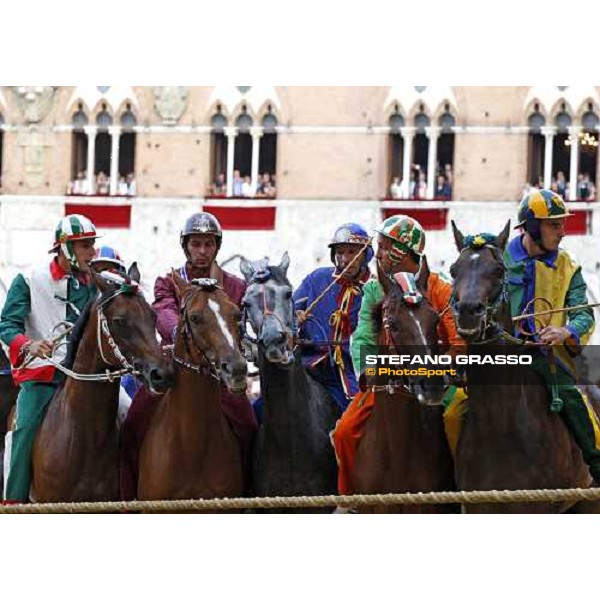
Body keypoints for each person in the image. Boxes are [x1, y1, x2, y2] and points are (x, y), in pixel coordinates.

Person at [444, 189, 600, 484]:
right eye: (554, 224)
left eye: (561, 224)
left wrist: (566, 330)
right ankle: (454, 484)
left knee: (576, 401)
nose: (562, 231)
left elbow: (584, 315)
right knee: (452, 412)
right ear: (531, 226)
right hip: (496, 355)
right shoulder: (497, 262)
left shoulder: (569, 267)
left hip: (549, 359)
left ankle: (597, 465)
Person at [119, 212, 257, 499]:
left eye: (208, 244)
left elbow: (236, 324)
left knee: (250, 426)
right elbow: (164, 313)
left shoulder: (235, 286)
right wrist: (183, 331)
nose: (202, 251)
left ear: (216, 247)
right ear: (186, 247)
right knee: (132, 423)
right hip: (176, 369)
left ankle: (249, 497)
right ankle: (127, 499)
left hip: (221, 375)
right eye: (196, 244)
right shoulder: (168, 281)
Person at [330, 215, 466, 495]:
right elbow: (364, 335)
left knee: (458, 420)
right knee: (344, 432)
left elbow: (458, 342)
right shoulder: (374, 288)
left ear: (400, 251)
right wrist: (369, 370)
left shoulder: (440, 289)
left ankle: (463, 491)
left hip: (438, 379)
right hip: (388, 380)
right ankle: (351, 500)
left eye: (382, 246)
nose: (376, 254)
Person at [0, 214, 100, 502]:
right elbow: (6, 325)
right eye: (85, 245)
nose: (92, 252)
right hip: (42, 376)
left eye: (92, 244)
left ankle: (132, 504)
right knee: (23, 430)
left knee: (129, 416)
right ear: (65, 247)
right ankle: (14, 503)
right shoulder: (29, 279)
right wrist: (29, 345)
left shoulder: (94, 282)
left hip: (86, 378)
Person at [293, 223, 373, 414]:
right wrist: (295, 318)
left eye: (352, 252)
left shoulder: (374, 289)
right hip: (309, 362)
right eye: (340, 252)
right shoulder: (317, 279)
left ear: (365, 255)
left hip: (348, 371)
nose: (345, 259)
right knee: (263, 407)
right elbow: (288, 309)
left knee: (360, 416)